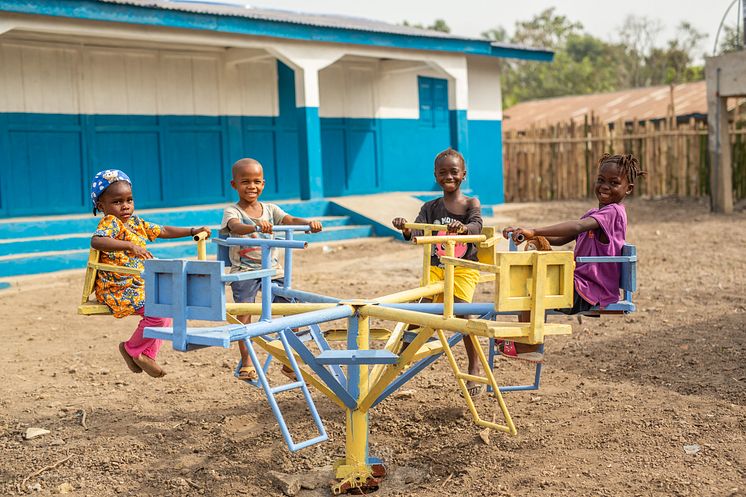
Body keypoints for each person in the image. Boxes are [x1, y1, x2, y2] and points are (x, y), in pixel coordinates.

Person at [501, 153, 646, 362]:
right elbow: (563, 238)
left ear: (628, 188)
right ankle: (528, 339)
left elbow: (577, 226)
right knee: (528, 278)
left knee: (531, 283)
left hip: (590, 290)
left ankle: (530, 344)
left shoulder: (614, 212)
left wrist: (534, 230)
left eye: (614, 183)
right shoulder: (594, 213)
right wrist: (528, 233)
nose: (605, 186)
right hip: (582, 284)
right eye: (601, 180)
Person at [90, 169, 210, 378]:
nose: (125, 206)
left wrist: (191, 231)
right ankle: (132, 349)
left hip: (136, 284)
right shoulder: (110, 223)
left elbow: (162, 230)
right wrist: (128, 245)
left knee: (168, 307)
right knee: (158, 311)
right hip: (118, 288)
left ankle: (144, 354)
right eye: (117, 202)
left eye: (129, 200)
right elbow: (97, 241)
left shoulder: (136, 223)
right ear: (102, 206)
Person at [391, 148, 485, 396]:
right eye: (443, 173)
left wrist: (463, 228)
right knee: (421, 304)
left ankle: (474, 365)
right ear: (436, 176)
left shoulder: (470, 203)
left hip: (464, 268)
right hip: (436, 267)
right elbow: (419, 231)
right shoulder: (430, 207)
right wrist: (406, 228)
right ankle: (405, 351)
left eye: (454, 172)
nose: (449, 177)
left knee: (462, 313)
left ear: (463, 174)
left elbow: (477, 225)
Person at [221, 158, 322, 381]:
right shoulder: (233, 211)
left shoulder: (270, 209)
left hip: (273, 271)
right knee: (244, 315)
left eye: (256, 181)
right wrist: (254, 226)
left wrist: (309, 224)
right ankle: (247, 361)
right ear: (234, 184)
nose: (251, 186)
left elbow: (290, 219)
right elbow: (234, 227)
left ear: (263, 184)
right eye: (245, 181)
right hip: (246, 271)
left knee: (290, 312)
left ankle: (288, 361)